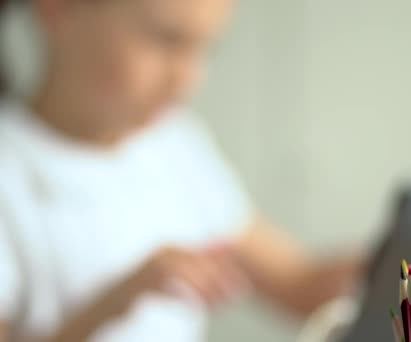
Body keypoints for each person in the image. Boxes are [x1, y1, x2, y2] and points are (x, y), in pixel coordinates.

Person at [0, 0, 364, 341]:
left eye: (206, 48)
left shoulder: (174, 144)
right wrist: (119, 300)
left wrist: (405, 255)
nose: (189, 78)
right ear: (57, 11)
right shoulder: (10, 168)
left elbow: (299, 287)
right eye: (166, 39)